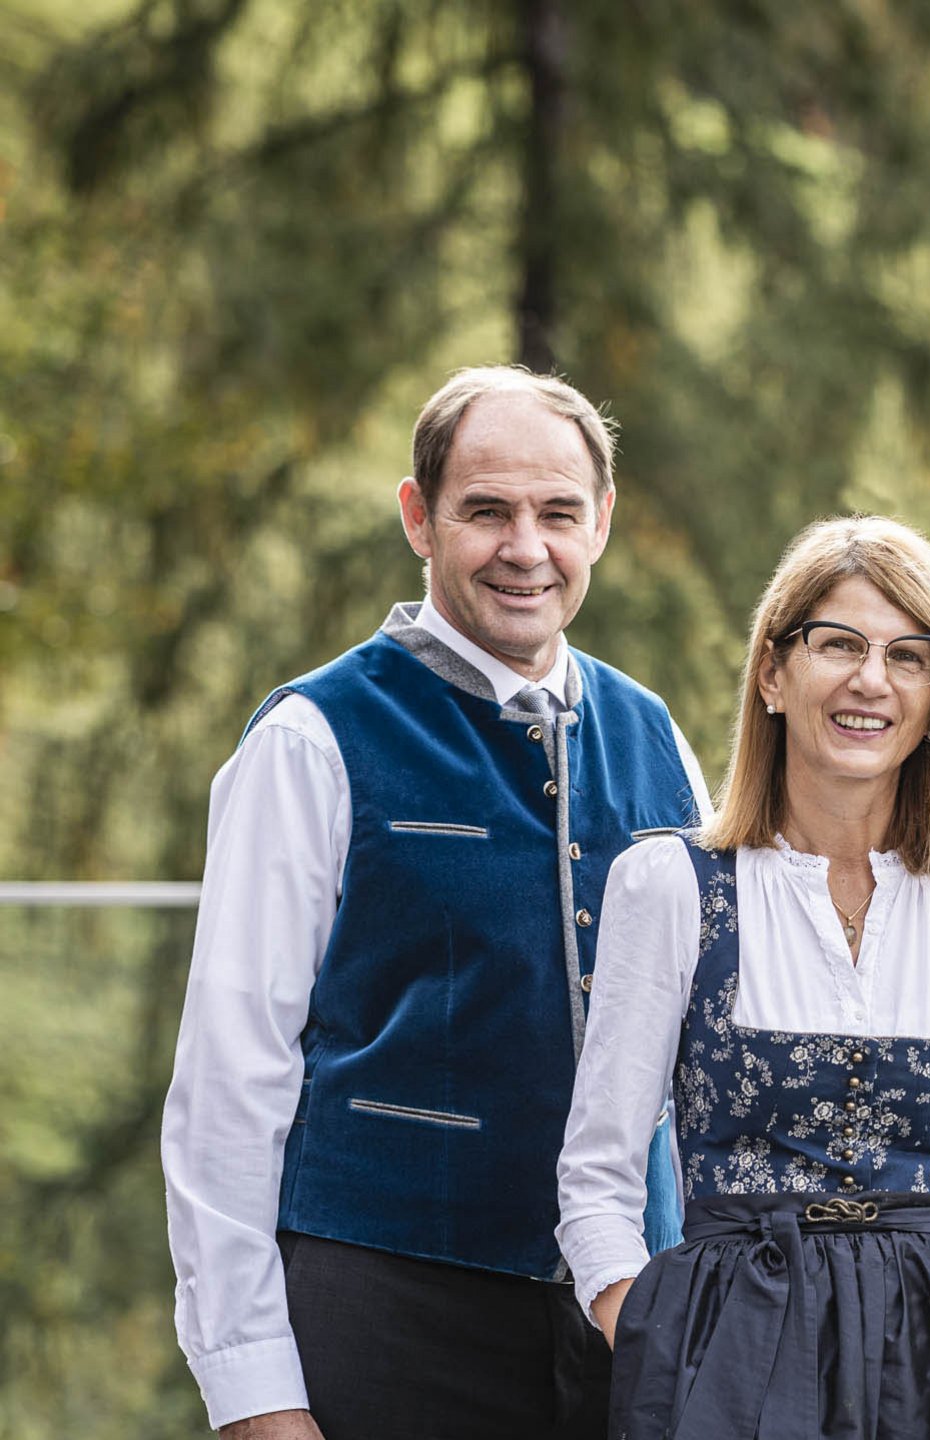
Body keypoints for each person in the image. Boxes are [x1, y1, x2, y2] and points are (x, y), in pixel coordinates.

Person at [162, 366, 708, 1439]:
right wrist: (252, 1393)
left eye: (558, 514)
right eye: (486, 511)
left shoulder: (660, 738)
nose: (525, 547)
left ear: (601, 522)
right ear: (419, 517)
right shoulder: (312, 738)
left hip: (631, 1325)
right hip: (387, 1317)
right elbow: (230, 1079)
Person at [555, 514, 930, 1440]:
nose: (871, 680)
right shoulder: (672, 886)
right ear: (772, 673)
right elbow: (596, 1178)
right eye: (838, 644)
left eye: (908, 656)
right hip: (730, 1360)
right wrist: (660, 1342)